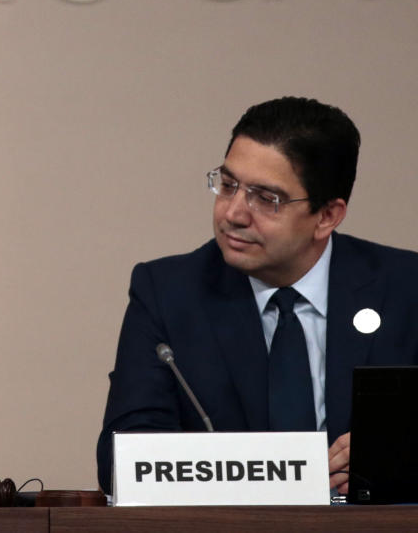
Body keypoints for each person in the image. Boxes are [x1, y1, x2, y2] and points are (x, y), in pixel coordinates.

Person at [97, 96, 418, 496]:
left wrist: (401, 456)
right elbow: (124, 457)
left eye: (267, 199)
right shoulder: (167, 292)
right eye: (228, 185)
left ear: (327, 216)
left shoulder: (405, 288)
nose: (233, 213)